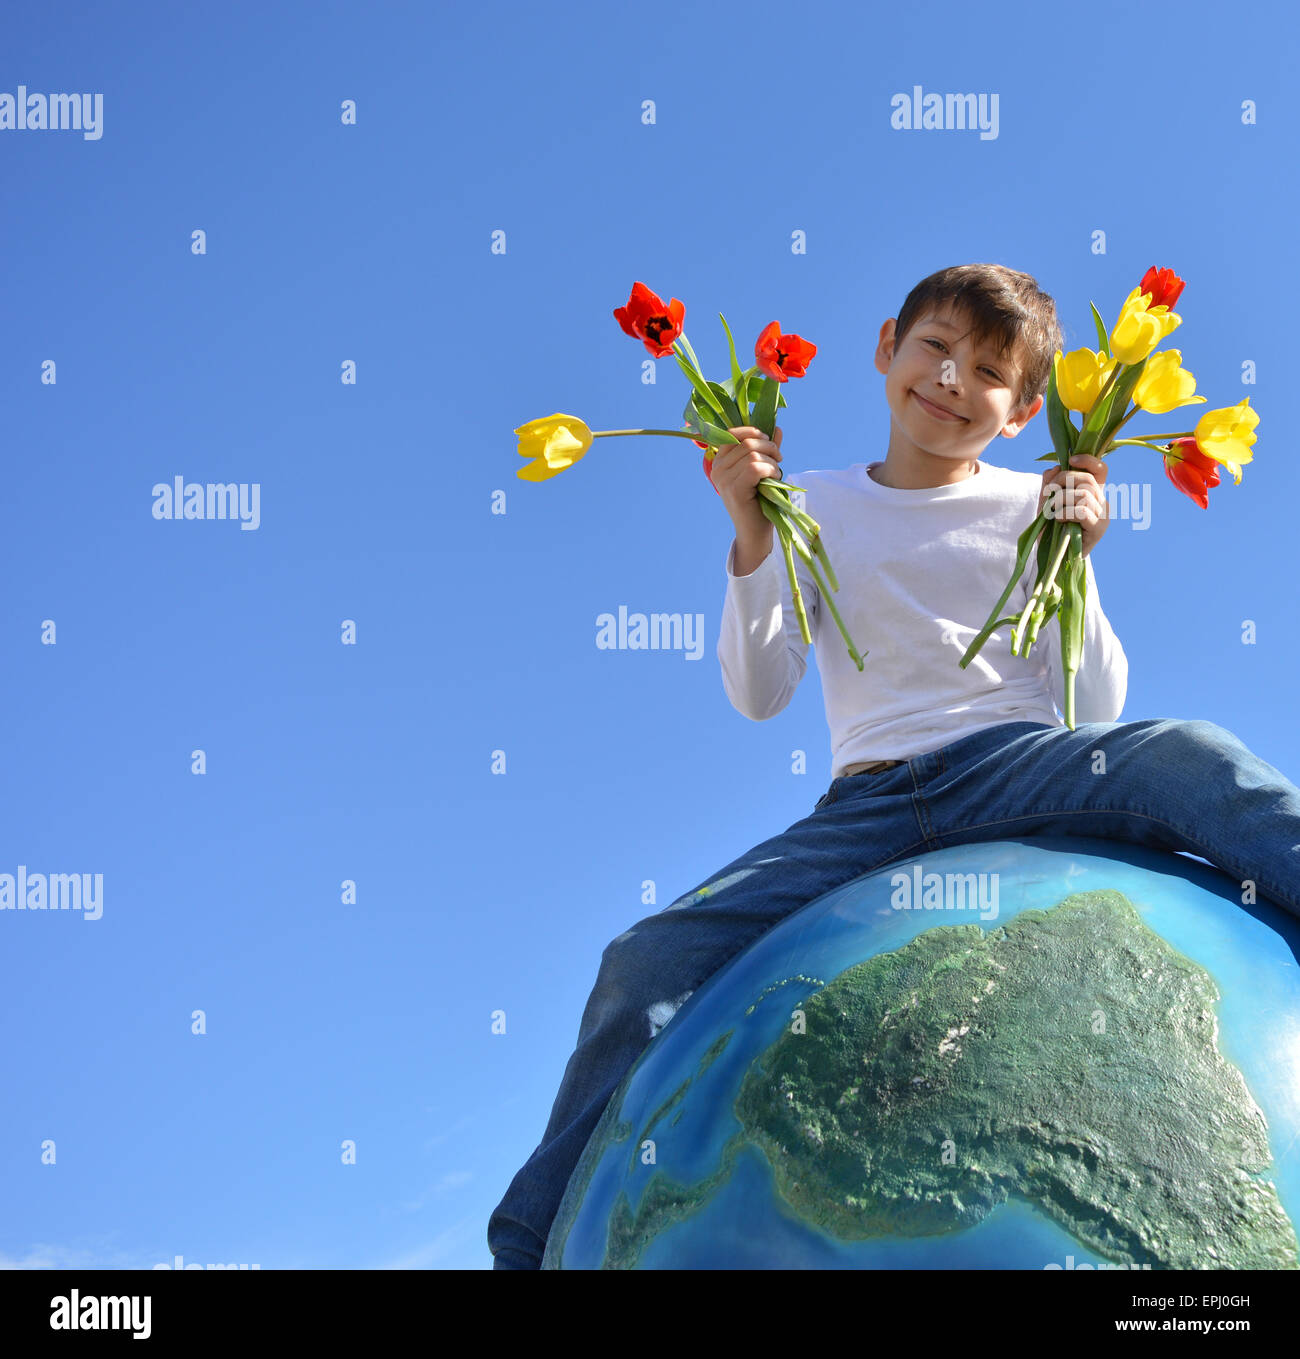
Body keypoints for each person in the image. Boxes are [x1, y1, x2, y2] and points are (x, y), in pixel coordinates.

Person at [487, 262, 1300, 1269]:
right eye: (936, 347)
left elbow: (1095, 709)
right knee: (640, 960)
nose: (954, 378)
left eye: (990, 371)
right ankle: (528, 1240)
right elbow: (759, 689)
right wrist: (751, 532)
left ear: (1022, 410)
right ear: (886, 348)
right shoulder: (809, 504)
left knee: (1187, 754)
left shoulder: (1030, 504)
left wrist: (1076, 558)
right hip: (864, 804)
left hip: (1014, 766)